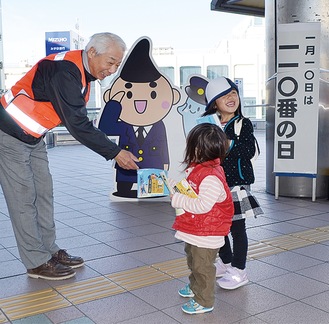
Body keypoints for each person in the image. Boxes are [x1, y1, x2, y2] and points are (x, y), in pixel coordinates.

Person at [0, 32, 139, 280]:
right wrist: (115, 152)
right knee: (23, 199)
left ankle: (49, 251)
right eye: (110, 62)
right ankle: (36, 262)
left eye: (117, 64)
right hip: (8, 135)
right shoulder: (64, 70)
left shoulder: (82, 75)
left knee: (43, 193)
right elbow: (77, 124)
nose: (113, 69)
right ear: (92, 52)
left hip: (34, 136)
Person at [169, 123, 234, 315]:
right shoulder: (201, 168)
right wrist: (174, 186)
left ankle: (204, 300)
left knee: (202, 266)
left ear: (197, 149)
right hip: (197, 230)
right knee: (193, 260)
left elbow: (202, 205)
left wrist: (177, 199)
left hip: (208, 233)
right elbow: (193, 191)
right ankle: (195, 287)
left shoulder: (211, 178)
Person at [203, 76, 259, 290]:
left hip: (237, 183)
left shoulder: (242, 123)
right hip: (214, 184)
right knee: (218, 227)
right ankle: (226, 262)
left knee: (237, 227)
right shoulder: (208, 124)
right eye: (224, 95)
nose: (231, 97)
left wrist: (223, 144)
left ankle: (239, 270)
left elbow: (248, 150)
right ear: (213, 103)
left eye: (233, 93)